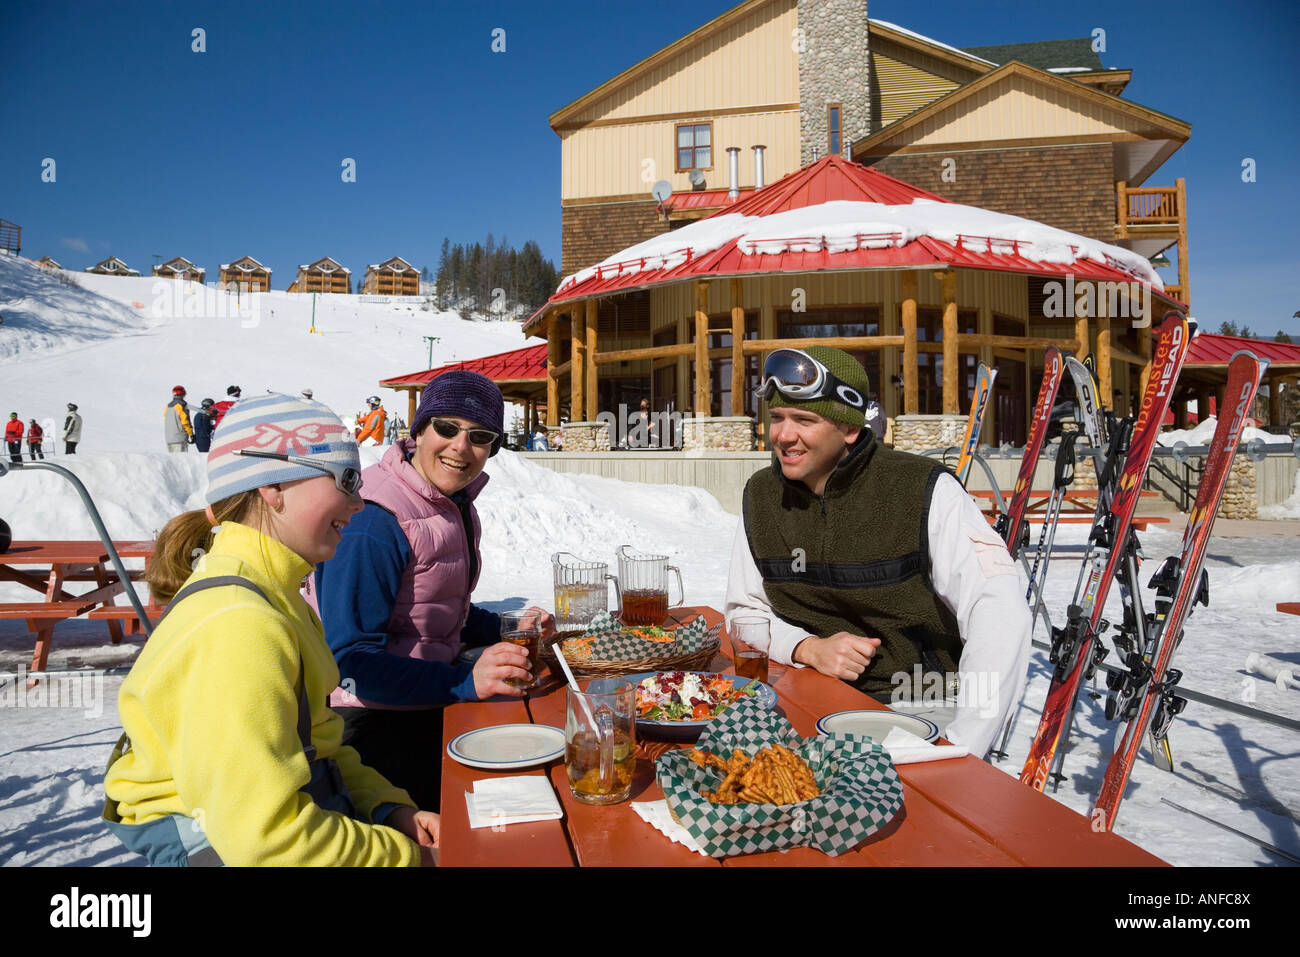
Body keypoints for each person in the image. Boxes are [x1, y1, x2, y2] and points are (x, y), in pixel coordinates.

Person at [102, 394, 438, 866]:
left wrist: (388, 808)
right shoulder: (241, 623)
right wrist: (411, 859)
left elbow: (318, 743)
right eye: (346, 480)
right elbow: (268, 841)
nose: (359, 503)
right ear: (273, 486)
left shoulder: (274, 593)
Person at [723, 346, 1031, 758]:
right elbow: (746, 613)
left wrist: (962, 746)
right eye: (777, 418)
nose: (783, 435)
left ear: (849, 429)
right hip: (807, 694)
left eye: (804, 420)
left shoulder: (921, 489)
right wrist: (808, 648)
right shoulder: (761, 497)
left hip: (919, 707)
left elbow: (999, 612)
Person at [308, 371, 552, 811]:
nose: (461, 447)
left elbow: (434, 607)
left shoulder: (448, 504)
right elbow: (349, 663)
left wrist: (506, 626)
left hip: (428, 699)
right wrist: (465, 681)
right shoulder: (376, 519)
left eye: (479, 436)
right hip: (370, 723)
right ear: (418, 430)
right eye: (446, 427)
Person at [164, 386, 193, 452]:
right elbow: (185, 422)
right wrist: (191, 434)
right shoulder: (182, 405)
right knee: (181, 460)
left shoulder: (168, 406)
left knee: (174, 460)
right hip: (180, 438)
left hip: (169, 438)